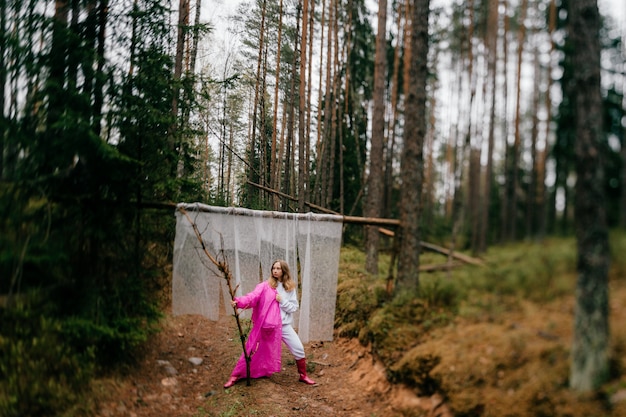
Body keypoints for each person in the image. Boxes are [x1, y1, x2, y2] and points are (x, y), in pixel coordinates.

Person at [224, 259, 316, 388]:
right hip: (268, 327)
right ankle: (236, 375)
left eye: (278, 268)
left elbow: (293, 308)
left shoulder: (290, 288)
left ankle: (303, 375)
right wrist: (239, 302)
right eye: (274, 268)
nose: (275, 271)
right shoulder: (265, 286)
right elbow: (252, 297)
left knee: (299, 348)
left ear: (284, 270)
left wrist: (282, 300)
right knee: (252, 349)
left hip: (284, 326)